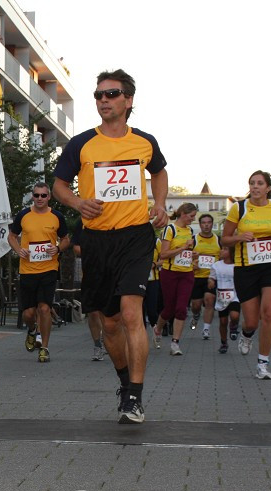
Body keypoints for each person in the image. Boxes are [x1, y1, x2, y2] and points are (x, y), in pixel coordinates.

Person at [53, 68, 168, 425]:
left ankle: (135, 394)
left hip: (135, 236)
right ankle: (124, 382)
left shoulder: (144, 141)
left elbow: (159, 172)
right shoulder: (82, 143)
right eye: (99, 95)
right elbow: (59, 184)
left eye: (111, 94)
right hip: (97, 240)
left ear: (128, 100)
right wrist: (76, 203)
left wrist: (160, 203)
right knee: (110, 323)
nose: (104, 100)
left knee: (132, 314)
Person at [221, 170, 271, 380]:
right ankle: (246, 334)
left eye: (260, 183)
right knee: (251, 321)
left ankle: (263, 363)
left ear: (268, 188)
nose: (255, 186)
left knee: (269, 314)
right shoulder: (239, 208)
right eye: (252, 183)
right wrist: (240, 237)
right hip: (246, 268)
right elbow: (224, 239)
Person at [8, 182, 69, 363]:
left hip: (49, 269)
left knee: (44, 308)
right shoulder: (23, 215)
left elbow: (66, 239)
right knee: (28, 313)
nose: (40, 199)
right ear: (32, 196)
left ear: (49, 197)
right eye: (36, 195)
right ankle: (32, 330)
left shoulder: (57, 216)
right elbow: (11, 236)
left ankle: (44, 348)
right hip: (27, 270)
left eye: (43, 195)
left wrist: (57, 249)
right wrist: (19, 250)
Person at [154, 203, 197, 356]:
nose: (193, 219)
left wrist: (192, 255)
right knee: (169, 309)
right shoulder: (170, 229)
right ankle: (158, 328)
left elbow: (186, 252)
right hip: (170, 273)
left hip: (187, 273)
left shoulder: (190, 231)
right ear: (183, 214)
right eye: (191, 216)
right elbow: (164, 255)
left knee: (181, 308)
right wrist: (183, 248)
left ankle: (175, 343)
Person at [71, 222, 106, 360]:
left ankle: (109, 339)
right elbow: (76, 248)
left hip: (111, 273)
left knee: (110, 312)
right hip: (90, 274)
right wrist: (92, 251)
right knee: (93, 312)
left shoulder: (114, 219)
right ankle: (97, 345)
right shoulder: (83, 223)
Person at [189, 213, 220, 339]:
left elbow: (224, 256)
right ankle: (196, 315)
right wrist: (192, 264)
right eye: (203, 223)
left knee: (209, 300)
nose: (206, 225)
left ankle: (206, 329)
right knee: (196, 305)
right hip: (196, 277)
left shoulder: (218, 240)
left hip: (211, 277)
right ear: (200, 224)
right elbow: (185, 256)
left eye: (209, 222)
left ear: (212, 224)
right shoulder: (193, 239)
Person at [208, 245, 240, 354]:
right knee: (223, 321)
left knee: (234, 316)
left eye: (225, 249)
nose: (221, 251)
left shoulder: (237, 265)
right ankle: (223, 342)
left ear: (231, 252)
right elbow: (211, 277)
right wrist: (211, 282)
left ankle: (233, 325)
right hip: (221, 296)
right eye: (221, 248)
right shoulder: (216, 265)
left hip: (234, 295)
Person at [143, 236, 163, 349]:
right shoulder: (132, 239)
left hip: (152, 281)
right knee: (139, 311)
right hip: (136, 281)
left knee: (152, 310)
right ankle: (141, 338)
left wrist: (154, 264)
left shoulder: (156, 241)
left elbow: (163, 259)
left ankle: (156, 330)